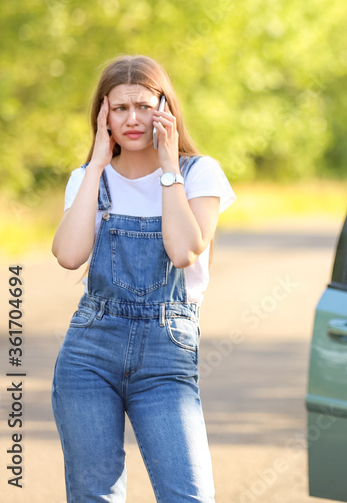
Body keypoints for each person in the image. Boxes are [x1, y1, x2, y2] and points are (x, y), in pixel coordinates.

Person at [51, 54, 235, 502]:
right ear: (103, 115)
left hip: (165, 354)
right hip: (90, 350)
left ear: (165, 108)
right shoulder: (88, 179)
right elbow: (68, 255)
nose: (133, 119)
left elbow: (184, 250)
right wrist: (95, 166)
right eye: (119, 109)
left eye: (144, 105)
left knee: (187, 495)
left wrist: (169, 168)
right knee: (95, 496)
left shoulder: (198, 173)